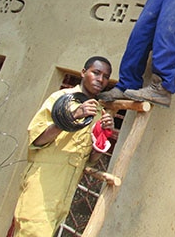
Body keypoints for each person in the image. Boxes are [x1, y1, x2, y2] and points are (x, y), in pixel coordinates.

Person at [13, 56, 114, 236]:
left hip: (65, 192)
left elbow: (91, 159)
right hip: (43, 184)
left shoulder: (98, 112)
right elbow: (37, 140)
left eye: (106, 77)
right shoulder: (60, 99)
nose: (100, 79)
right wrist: (71, 116)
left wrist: (104, 135)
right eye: (96, 73)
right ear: (83, 73)